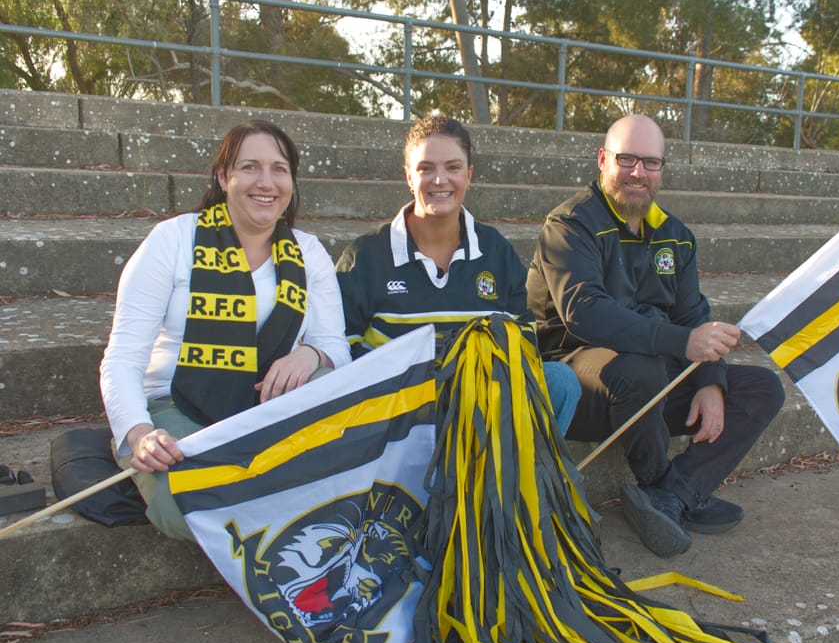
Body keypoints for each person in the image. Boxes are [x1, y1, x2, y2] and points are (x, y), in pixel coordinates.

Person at [525, 114, 785, 558]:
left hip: (647, 391)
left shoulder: (675, 236)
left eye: (650, 162)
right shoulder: (570, 224)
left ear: (662, 169)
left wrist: (709, 382)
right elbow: (583, 313)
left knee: (762, 387)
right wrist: (682, 344)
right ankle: (655, 481)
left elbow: (692, 315)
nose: (638, 173)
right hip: (576, 385)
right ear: (603, 160)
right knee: (643, 367)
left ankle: (671, 494)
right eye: (626, 159)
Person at [100, 120, 352, 540]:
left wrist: (309, 355)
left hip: (264, 405)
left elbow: (335, 348)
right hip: (176, 403)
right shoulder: (174, 240)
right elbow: (122, 357)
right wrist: (140, 433)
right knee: (181, 510)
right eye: (250, 167)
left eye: (279, 169)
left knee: (330, 388)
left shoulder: (308, 252)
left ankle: (254, 481)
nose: (266, 182)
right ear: (223, 177)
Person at [335, 115, 580, 434]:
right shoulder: (365, 255)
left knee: (560, 382)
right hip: (395, 409)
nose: (440, 180)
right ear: (409, 176)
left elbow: (524, 338)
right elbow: (343, 347)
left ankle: (511, 481)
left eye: (452, 167)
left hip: (477, 407)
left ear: (468, 175)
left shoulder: (495, 250)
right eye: (426, 168)